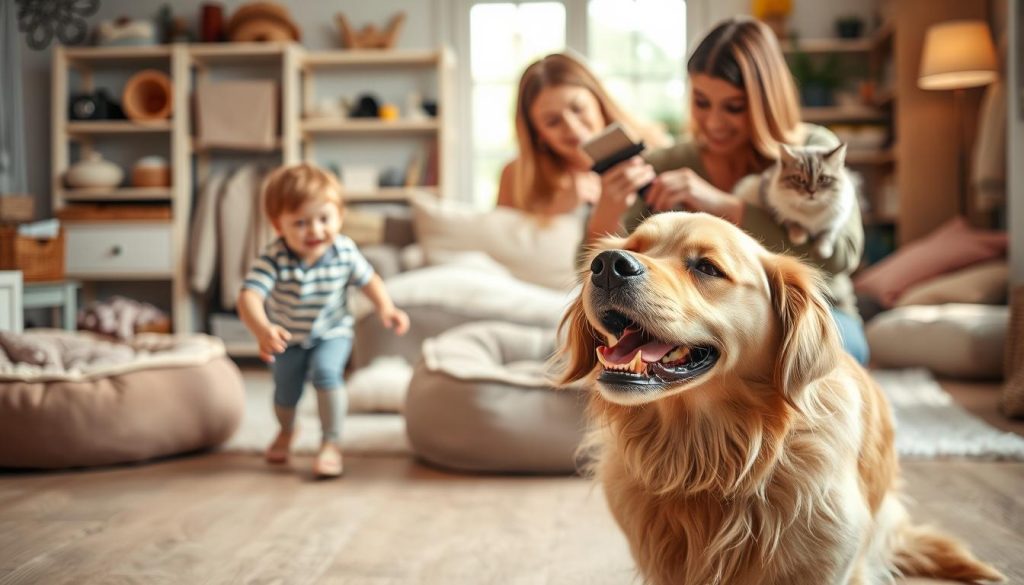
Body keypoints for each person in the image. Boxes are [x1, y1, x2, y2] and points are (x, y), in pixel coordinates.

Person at [587, 16, 869, 364]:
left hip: (823, 315)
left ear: (767, 102)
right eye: (702, 102)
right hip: (696, 322)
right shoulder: (668, 164)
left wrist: (725, 206)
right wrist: (607, 209)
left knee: (803, 358)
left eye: (734, 107)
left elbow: (842, 256)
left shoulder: (812, 151)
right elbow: (591, 288)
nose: (715, 122)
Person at [237, 163, 410, 478]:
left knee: (327, 375)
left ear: (340, 217)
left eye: (324, 219)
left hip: (333, 331)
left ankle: (331, 442)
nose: (315, 231)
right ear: (279, 226)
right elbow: (249, 296)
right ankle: (287, 430)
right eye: (300, 223)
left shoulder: (344, 251)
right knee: (285, 393)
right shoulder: (274, 257)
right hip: (287, 337)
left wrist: (386, 307)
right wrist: (263, 329)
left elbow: (369, 279)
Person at [497, 51, 669, 216]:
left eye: (578, 109)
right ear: (537, 133)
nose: (572, 127)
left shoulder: (656, 150)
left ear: (598, 102)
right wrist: (554, 215)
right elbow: (502, 240)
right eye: (553, 121)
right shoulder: (518, 177)